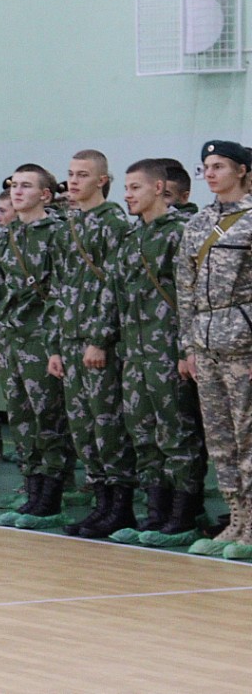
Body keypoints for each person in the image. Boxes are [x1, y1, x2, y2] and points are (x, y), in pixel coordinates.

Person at [114, 159, 206, 545]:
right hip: (136, 352)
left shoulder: (179, 232)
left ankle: (184, 516)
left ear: (157, 189)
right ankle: (156, 513)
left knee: (177, 433)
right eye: (126, 188)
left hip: (168, 348)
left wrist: (187, 348)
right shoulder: (131, 238)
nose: (128, 195)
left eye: (135, 187)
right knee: (143, 434)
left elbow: (192, 295)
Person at [48, 149, 136, 539]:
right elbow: (58, 288)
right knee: (83, 429)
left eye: (82, 175)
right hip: (70, 340)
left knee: (107, 425)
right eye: (70, 174)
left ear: (102, 180)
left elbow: (114, 286)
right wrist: (56, 345)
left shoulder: (113, 223)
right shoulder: (67, 225)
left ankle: (120, 507)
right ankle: (100, 503)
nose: (73, 181)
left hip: (99, 342)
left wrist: (100, 339)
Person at [178, 140, 252, 558]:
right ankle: (236, 520)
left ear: (241, 170)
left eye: (219, 165)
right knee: (221, 439)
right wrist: (188, 345)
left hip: (243, 342)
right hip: (205, 342)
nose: (209, 173)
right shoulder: (199, 222)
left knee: (248, 436)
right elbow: (184, 288)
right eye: (205, 166)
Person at [0, 165, 70, 529]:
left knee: (48, 418)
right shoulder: (6, 237)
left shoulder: (57, 233)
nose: (17, 191)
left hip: (43, 340)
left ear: (45, 195)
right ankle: (32, 490)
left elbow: (62, 291)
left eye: (26, 186)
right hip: (13, 340)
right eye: (14, 186)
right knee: (20, 419)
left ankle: (50, 498)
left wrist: (55, 343)